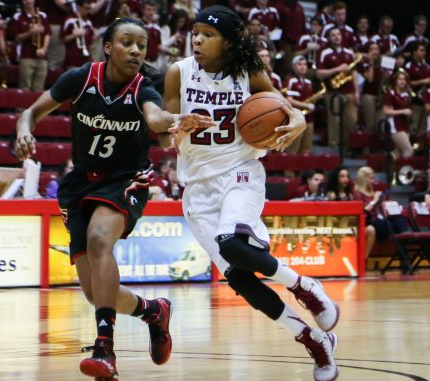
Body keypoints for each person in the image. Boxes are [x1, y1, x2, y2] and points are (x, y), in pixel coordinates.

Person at [15, 17, 214, 380]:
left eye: (142, 45)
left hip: (126, 179)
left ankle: (104, 349)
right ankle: (154, 310)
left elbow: (155, 119)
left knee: (98, 239)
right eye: (127, 42)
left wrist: (174, 120)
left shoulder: (144, 89)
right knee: (95, 293)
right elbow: (30, 112)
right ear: (108, 47)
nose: (136, 50)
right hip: (80, 184)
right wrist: (24, 131)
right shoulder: (80, 78)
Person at [164, 6, 339, 381]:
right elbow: (164, 125)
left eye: (207, 34)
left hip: (240, 172)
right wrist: (177, 126)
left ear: (228, 41)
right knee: (240, 278)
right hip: (197, 188)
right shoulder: (178, 72)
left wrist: (298, 119)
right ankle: (311, 338)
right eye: (194, 32)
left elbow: (287, 111)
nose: (197, 39)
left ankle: (304, 286)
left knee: (232, 244)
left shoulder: (249, 73)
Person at [317, 26, 358, 149]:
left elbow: (354, 73)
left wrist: (357, 92)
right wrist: (338, 69)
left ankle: (347, 147)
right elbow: (319, 74)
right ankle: (334, 146)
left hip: (349, 91)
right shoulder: (324, 53)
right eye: (333, 35)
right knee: (334, 120)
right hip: (333, 92)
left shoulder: (349, 53)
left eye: (338, 35)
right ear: (329, 38)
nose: (336, 37)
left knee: (351, 120)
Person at [8, 0, 51, 92]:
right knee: (25, 88)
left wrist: (44, 48)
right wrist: (31, 32)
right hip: (26, 56)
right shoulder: (17, 16)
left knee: (39, 89)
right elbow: (17, 38)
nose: (28, 1)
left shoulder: (43, 15)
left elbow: (47, 34)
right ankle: (22, 107)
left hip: (42, 57)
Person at [284, 55, 315, 154]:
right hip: (295, 118)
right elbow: (288, 99)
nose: (303, 66)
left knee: (306, 147)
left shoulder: (309, 82)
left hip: (308, 118)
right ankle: (289, 170)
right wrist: (306, 106)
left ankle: (304, 169)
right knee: (293, 149)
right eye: (299, 64)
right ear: (293, 66)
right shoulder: (290, 80)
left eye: (305, 64)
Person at [383, 69, 414, 158]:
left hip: (405, 125)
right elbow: (386, 111)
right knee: (408, 150)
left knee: (398, 152)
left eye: (404, 79)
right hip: (395, 126)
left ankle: (391, 168)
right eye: (400, 79)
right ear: (395, 81)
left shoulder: (406, 95)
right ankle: (403, 171)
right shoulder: (391, 94)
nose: (402, 81)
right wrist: (403, 111)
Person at [60, 0, 95, 70]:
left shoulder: (88, 22)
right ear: (79, 7)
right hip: (73, 60)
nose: (87, 11)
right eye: (85, 8)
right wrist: (75, 35)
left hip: (86, 60)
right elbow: (62, 40)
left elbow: (91, 40)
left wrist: (92, 37)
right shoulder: (70, 20)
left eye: (89, 9)